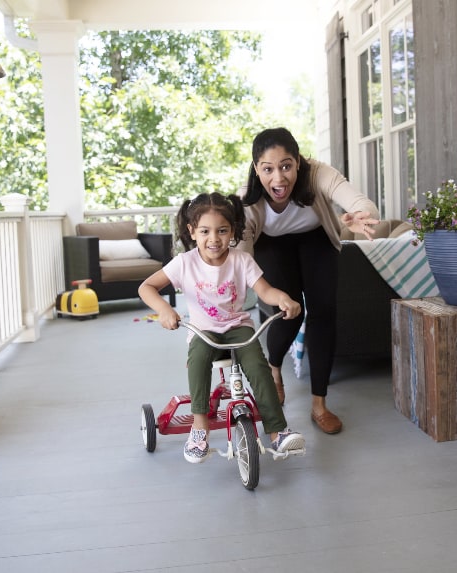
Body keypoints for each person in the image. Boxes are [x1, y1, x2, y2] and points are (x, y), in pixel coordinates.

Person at [138, 191, 306, 464]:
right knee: (199, 359)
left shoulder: (241, 260)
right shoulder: (185, 263)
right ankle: (200, 427)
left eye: (222, 231)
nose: (214, 239)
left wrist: (284, 299)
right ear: (192, 232)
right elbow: (146, 287)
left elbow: (266, 291)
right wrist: (165, 310)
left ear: (233, 232)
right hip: (203, 329)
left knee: (258, 365)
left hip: (237, 326)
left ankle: (278, 431)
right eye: (205, 231)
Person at [239, 127, 380, 435]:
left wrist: (362, 215)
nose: (279, 178)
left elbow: (360, 202)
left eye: (286, 166)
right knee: (289, 314)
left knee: (324, 313)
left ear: (298, 163)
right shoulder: (247, 202)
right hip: (272, 244)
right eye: (268, 169)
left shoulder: (317, 173)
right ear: (256, 168)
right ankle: (274, 370)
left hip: (315, 240)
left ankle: (319, 404)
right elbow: (242, 256)